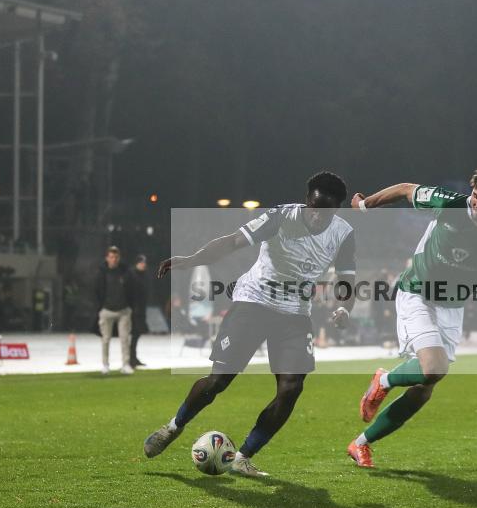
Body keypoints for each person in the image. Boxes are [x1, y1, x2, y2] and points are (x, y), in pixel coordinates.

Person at [144, 172, 356, 477]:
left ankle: (243, 457)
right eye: (313, 208)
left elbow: (346, 279)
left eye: (326, 211)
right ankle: (173, 427)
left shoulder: (343, 233)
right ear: (306, 200)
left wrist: (344, 308)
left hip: (295, 313)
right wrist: (191, 259)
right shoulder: (281, 216)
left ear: (336, 209)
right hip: (253, 302)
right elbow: (232, 241)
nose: (317, 216)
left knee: (291, 388)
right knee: (219, 380)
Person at [345, 165, 477, 468]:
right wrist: (365, 205)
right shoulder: (450, 203)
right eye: (476, 197)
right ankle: (384, 379)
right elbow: (405, 188)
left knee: (422, 392)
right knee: (435, 368)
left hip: (452, 307)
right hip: (418, 293)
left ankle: (360, 444)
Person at [94, 246, 135, 375]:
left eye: (116, 257)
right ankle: (105, 365)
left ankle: (125, 364)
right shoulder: (102, 272)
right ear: (107, 258)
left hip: (123, 310)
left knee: (125, 339)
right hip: (107, 310)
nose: (114, 259)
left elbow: (132, 289)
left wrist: (130, 306)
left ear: (119, 258)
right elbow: (96, 291)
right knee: (105, 339)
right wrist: (100, 307)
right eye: (111, 257)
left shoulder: (125, 271)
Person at [130, 255, 150, 368]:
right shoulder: (132, 275)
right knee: (134, 334)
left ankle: (133, 357)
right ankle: (131, 358)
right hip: (134, 310)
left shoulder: (143, 275)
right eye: (141, 262)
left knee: (136, 335)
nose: (144, 264)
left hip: (140, 309)